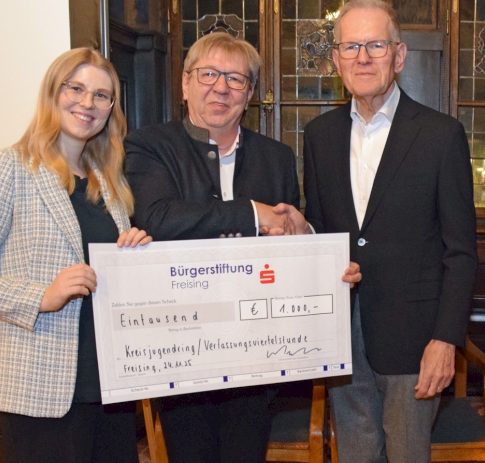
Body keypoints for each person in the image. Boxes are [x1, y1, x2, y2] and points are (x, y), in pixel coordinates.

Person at [124, 32, 360, 462]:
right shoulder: (149, 146)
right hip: (183, 350)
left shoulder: (276, 157)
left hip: (257, 353)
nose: (221, 88)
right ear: (185, 84)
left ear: (249, 94)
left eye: (235, 79)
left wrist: (305, 237)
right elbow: (158, 218)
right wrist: (253, 213)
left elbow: (291, 248)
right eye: (208, 74)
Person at [0, 48, 151, 463]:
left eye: (102, 95)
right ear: (53, 93)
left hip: (110, 387)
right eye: (76, 88)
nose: (88, 103)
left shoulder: (109, 182)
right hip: (40, 391)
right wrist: (41, 296)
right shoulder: (9, 167)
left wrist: (132, 255)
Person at [302, 1, 478, 462]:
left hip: (414, 338)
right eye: (351, 47)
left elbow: (460, 252)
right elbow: (320, 232)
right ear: (336, 59)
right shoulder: (318, 136)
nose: (363, 58)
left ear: (398, 56)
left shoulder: (441, 136)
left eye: (376, 45)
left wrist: (446, 340)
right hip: (342, 333)